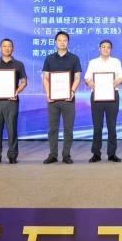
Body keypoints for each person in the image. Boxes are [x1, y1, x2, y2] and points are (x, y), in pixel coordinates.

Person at [0, 38, 27, 164]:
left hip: (11, 101)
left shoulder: (19, 64)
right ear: (0, 48)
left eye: (9, 46)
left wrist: (16, 92)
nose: (7, 48)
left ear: (12, 48)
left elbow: (24, 82)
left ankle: (12, 155)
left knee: (12, 128)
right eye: (4, 46)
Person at [42, 31, 82, 164]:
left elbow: (77, 77)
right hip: (53, 100)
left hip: (68, 99)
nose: (62, 42)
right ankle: (53, 155)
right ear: (55, 42)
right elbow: (46, 78)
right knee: (52, 129)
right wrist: (48, 93)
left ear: (68, 42)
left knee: (68, 129)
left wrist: (72, 91)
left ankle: (66, 155)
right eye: (59, 40)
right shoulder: (49, 58)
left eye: (65, 40)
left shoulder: (74, 58)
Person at [84, 39, 122, 163]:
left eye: (108, 47)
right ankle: (96, 153)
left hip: (112, 96)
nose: (106, 49)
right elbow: (86, 78)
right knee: (97, 127)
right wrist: (90, 83)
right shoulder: (93, 62)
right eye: (103, 47)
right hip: (97, 96)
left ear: (111, 49)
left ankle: (112, 154)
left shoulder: (116, 61)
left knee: (112, 126)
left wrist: (117, 81)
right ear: (99, 49)